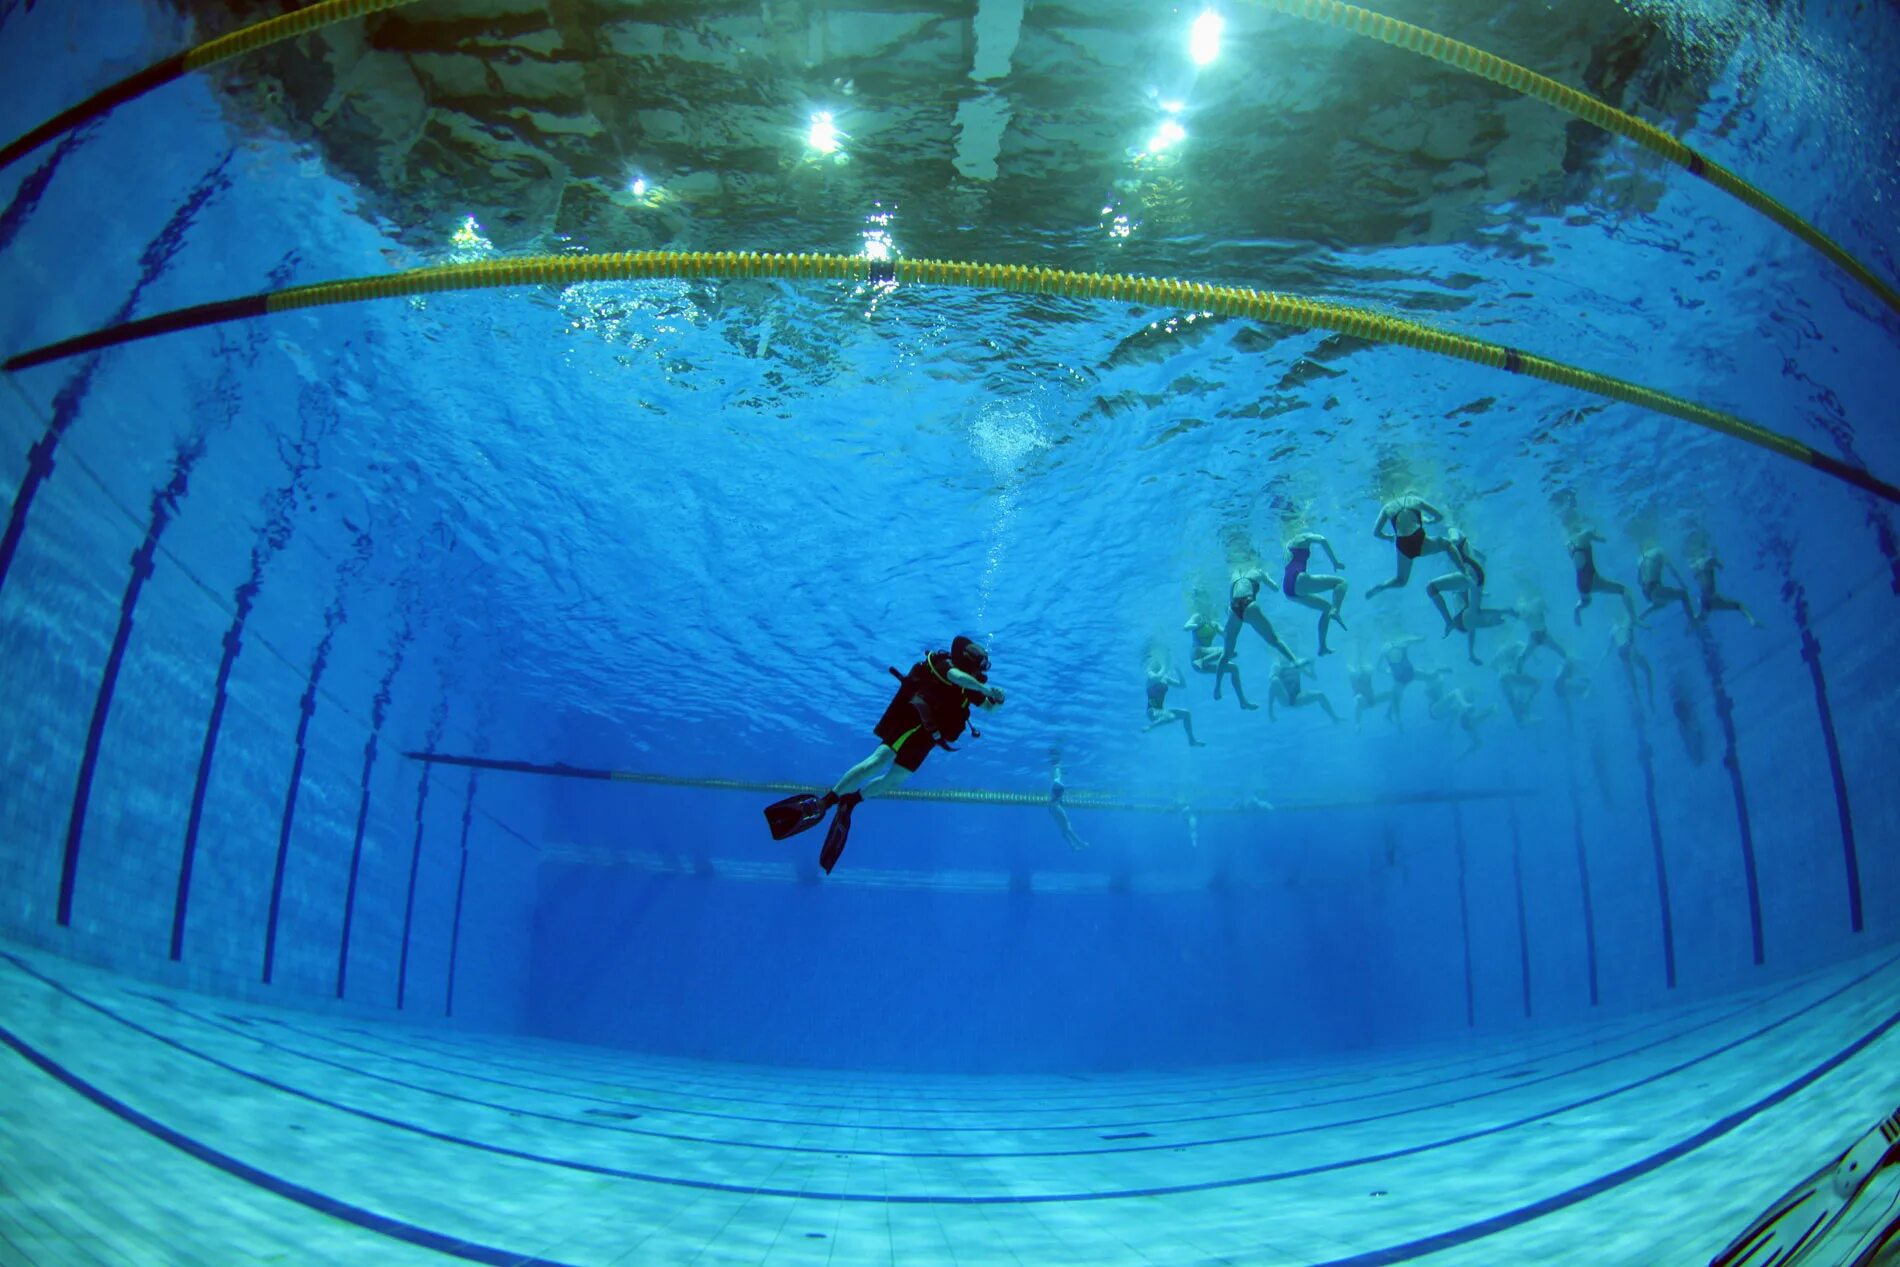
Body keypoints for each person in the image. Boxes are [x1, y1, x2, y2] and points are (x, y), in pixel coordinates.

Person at [763, 634, 1003, 872]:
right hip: (911, 721)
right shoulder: (945, 664)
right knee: (877, 762)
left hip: (928, 738)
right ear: (965, 655)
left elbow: (989, 709)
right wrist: (986, 687)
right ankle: (826, 802)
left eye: (983, 657)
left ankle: (852, 801)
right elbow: (956, 677)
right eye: (977, 654)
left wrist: (997, 700)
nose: (981, 660)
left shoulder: (972, 688)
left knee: (895, 779)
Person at [1213, 568, 1301, 703]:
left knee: (1226, 653)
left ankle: (1217, 687)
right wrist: (1267, 577)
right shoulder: (1258, 571)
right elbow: (1276, 588)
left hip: (1233, 608)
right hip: (1250, 605)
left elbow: (1230, 600)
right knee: (1275, 640)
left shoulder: (1234, 573)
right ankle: (1296, 660)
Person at [1426, 527, 1492, 664]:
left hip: (1470, 576)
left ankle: (1448, 622)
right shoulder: (1466, 540)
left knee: (1431, 587)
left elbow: (1454, 539)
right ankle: (1470, 652)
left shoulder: (1451, 528)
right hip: (1476, 577)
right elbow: (1481, 557)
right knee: (1470, 615)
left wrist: (1437, 543)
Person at [1366, 493, 1449, 597]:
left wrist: (1389, 537)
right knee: (1448, 545)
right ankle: (1463, 569)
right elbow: (1439, 516)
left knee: (1401, 580)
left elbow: (1376, 533)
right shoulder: (1416, 500)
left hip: (1403, 546)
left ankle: (1382, 586)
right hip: (1419, 539)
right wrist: (1429, 521)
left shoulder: (1387, 508)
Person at [1280, 531, 1348, 655]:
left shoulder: (1286, 544)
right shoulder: (1302, 536)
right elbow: (1322, 539)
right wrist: (1335, 562)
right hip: (1299, 579)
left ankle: (1322, 647)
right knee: (1341, 583)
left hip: (1287, 588)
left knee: (1327, 608)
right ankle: (1336, 610)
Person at [1184, 612, 1258, 710]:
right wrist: (1196, 625)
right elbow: (1186, 627)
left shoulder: (1215, 624)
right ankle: (1203, 664)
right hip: (1196, 655)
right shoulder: (1198, 616)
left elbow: (1226, 635)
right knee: (1226, 651)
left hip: (1202, 664)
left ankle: (1242, 701)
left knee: (1234, 668)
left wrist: (1234, 622)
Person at [1568, 527, 1637, 626]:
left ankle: (1577, 609)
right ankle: (1633, 618)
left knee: (1586, 602)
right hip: (1592, 578)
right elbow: (1604, 540)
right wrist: (1595, 533)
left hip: (1580, 583)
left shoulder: (1568, 544)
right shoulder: (1586, 533)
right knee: (1623, 589)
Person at [1143, 655, 1205, 747]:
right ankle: (1150, 726)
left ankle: (1192, 740)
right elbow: (1156, 678)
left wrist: (1178, 671)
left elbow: (1182, 685)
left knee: (1186, 714)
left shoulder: (1165, 678)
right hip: (1152, 711)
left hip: (1161, 710)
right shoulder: (1150, 673)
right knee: (1171, 717)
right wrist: (1164, 666)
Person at [1691, 549, 1761, 627]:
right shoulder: (1703, 565)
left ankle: (1752, 621)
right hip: (1710, 598)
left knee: (1737, 605)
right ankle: (1752, 621)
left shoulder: (1702, 568)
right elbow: (1709, 562)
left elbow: (1708, 563)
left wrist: (1718, 564)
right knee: (1738, 605)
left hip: (1708, 599)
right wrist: (1719, 564)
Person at [1602, 614, 1654, 707]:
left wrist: (1600, 662)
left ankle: (1640, 706)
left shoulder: (1612, 630)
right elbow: (1639, 623)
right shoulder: (1627, 619)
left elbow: (1607, 650)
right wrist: (1648, 627)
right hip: (1629, 647)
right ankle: (1650, 700)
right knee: (1648, 672)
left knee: (1633, 684)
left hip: (1621, 652)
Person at [1636, 546, 1695, 624]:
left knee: (1663, 602)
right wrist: (1682, 583)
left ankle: (1643, 614)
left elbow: (1639, 581)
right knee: (1683, 594)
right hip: (1655, 588)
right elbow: (1672, 570)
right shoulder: (1659, 551)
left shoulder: (1640, 559)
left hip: (1646, 592)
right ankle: (1693, 621)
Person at [1267, 659, 1339, 722]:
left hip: (1298, 698)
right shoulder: (1276, 666)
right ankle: (1270, 713)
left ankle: (1334, 718)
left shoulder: (1297, 664)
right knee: (1275, 681)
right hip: (1285, 699)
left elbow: (1313, 677)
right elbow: (1272, 683)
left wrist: (1311, 666)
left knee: (1320, 695)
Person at [1494, 643, 1543, 727]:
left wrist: (1502, 669)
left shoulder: (1499, 650)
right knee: (1537, 683)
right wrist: (1537, 659)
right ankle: (1526, 713)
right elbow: (1525, 653)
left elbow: (1492, 665)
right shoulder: (1517, 644)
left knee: (1512, 700)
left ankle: (1520, 720)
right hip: (1511, 674)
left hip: (1502, 677)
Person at [1048, 750, 1088, 851]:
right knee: (1067, 828)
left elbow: (1057, 783)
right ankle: (1080, 843)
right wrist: (1068, 787)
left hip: (1052, 807)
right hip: (1056, 808)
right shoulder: (1056, 776)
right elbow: (1057, 782)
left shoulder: (1055, 774)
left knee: (1063, 828)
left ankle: (1073, 845)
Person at [1346, 658, 1388, 728]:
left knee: (1360, 700)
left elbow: (1369, 669)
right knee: (1360, 699)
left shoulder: (1358, 673)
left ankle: (1390, 713)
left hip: (1369, 698)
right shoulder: (1357, 673)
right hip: (1369, 699)